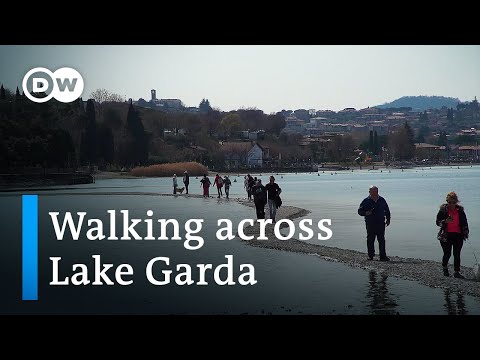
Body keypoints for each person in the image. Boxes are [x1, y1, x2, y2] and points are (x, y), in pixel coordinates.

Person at [436, 192, 469, 278]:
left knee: (457, 254)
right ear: (447, 201)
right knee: (447, 253)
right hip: (446, 235)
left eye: (453, 202)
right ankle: (445, 268)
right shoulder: (443, 210)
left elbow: (465, 223)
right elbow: (437, 222)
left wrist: (466, 232)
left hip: (458, 235)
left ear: (456, 202)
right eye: (450, 202)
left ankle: (456, 272)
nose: (451, 204)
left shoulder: (460, 211)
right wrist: (445, 222)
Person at [358, 185, 391, 261]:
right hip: (370, 223)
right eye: (373, 191)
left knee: (381, 240)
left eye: (376, 191)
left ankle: (382, 256)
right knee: (370, 239)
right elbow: (359, 211)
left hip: (380, 223)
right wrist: (366, 213)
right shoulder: (366, 201)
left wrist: (388, 219)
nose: (375, 193)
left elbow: (387, 210)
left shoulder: (382, 200)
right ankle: (370, 255)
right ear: (369, 192)